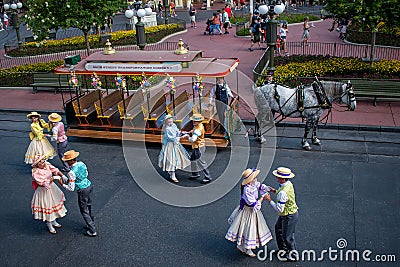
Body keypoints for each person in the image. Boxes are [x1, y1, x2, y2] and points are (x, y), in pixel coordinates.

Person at [225, 168, 273, 257]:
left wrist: (269, 189)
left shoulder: (252, 184)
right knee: (249, 228)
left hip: (250, 210)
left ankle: (242, 246)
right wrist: (263, 197)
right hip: (248, 211)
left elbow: (259, 186)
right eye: (254, 177)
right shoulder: (247, 190)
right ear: (250, 179)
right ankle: (247, 249)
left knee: (245, 228)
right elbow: (253, 205)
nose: (256, 179)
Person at [265, 167, 299, 262]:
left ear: (282, 179)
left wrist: (269, 200)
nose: (276, 177)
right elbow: (284, 196)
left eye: (278, 176)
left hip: (288, 215)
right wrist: (275, 191)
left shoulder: (283, 192)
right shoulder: (288, 184)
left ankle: (293, 255)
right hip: (289, 213)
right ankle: (283, 250)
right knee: (278, 229)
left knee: (287, 237)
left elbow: (279, 209)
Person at [61, 150, 97, 237]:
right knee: (89, 206)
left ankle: (92, 230)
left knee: (83, 210)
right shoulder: (81, 164)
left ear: (70, 161)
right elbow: (86, 174)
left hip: (82, 190)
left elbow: (71, 188)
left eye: (66, 161)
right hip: (88, 185)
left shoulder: (71, 172)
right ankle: (91, 223)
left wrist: (62, 184)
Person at [31, 154, 67, 234]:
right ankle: (49, 223)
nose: (43, 164)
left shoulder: (46, 165)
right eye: (41, 163)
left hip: (52, 188)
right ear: (37, 164)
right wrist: (53, 178)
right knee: (47, 205)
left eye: (44, 162)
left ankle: (53, 221)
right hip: (43, 191)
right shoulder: (36, 172)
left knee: (54, 203)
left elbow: (54, 170)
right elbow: (43, 183)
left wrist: (62, 175)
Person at [158, 114, 191, 183]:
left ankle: (172, 172)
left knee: (177, 158)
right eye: (169, 122)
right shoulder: (167, 129)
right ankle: (172, 174)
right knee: (171, 159)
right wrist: (183, 137)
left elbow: (177, 132)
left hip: (175, 145)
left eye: (171, 122)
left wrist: (183, 133)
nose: (170, 123)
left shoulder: (173, 126)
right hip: (170, 145)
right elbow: (172, 138)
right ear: (166, 122)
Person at [182, 114, 212, 184]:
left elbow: (193, 139)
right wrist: (189, 132)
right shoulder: (198, 126)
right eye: (193, 120)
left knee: (201, 163)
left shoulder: (198, 129)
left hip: (199, 147)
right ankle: (195, 174)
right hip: (196, 147)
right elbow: (194, 131)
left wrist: (187, 137)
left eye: (195, 121)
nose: (193, 122)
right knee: (192, 159)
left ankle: (208, 177)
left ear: (199, 121)